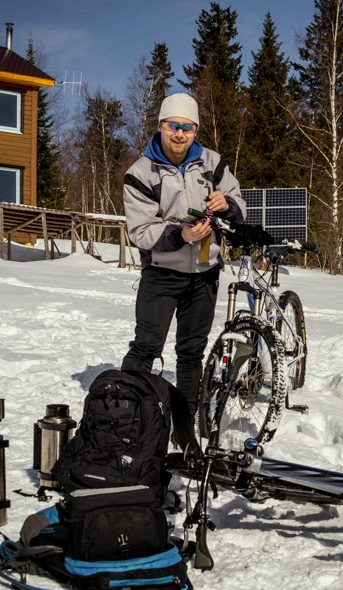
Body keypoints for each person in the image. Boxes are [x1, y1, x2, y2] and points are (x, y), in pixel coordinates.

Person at [121, 93, 245, 418]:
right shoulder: (141, 173)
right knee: (146, 346)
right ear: (161, 126)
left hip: (205, 273)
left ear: (195, 130)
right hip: (162, 273)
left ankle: (187, 425)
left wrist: (227, 205)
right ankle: (122, 418)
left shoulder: (213, 162)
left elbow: (238, 202)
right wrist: (182, 235)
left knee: (191, 353)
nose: (180, 134)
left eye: (187, 127)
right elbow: (140, 231)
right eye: (173, 126)